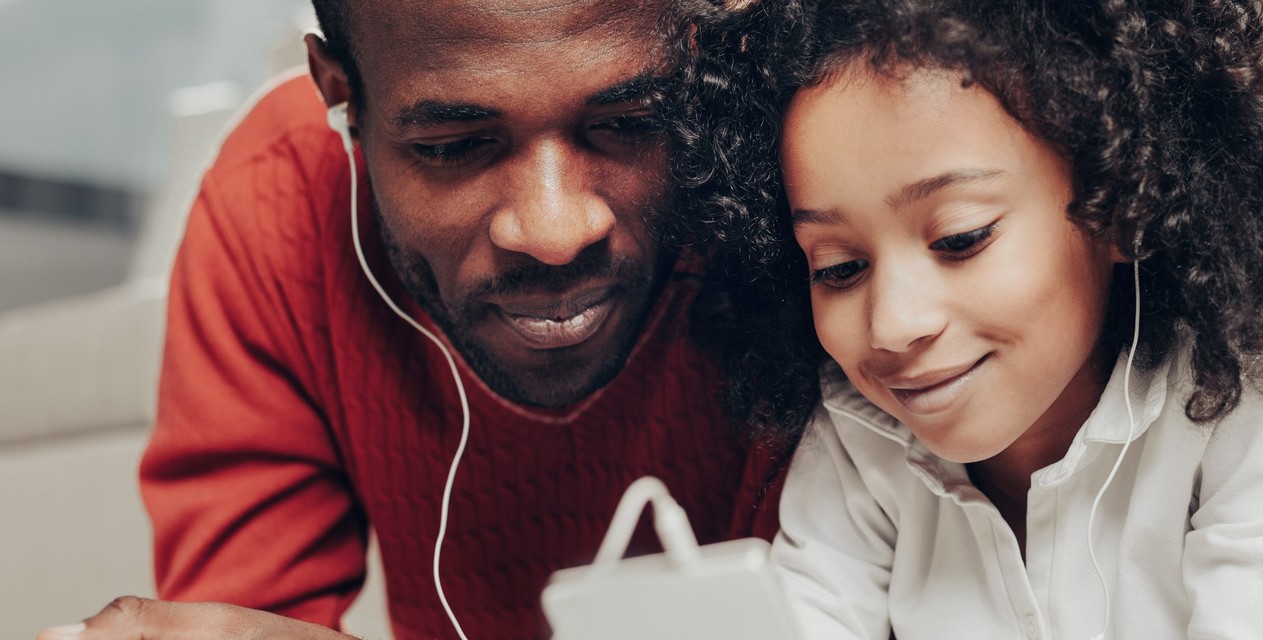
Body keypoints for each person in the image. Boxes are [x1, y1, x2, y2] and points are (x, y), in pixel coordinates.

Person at [672, 0, 1263, 637]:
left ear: (1123, 204)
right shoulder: (855, 442)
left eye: (960, 238)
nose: (893, 324)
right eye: (838, 267)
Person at [37, 1, 787, 639]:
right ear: (342, 97)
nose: (555, 231)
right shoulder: (275, 210)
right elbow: (245, 615)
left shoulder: (808, 164)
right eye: (454, 147)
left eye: (630, 123)